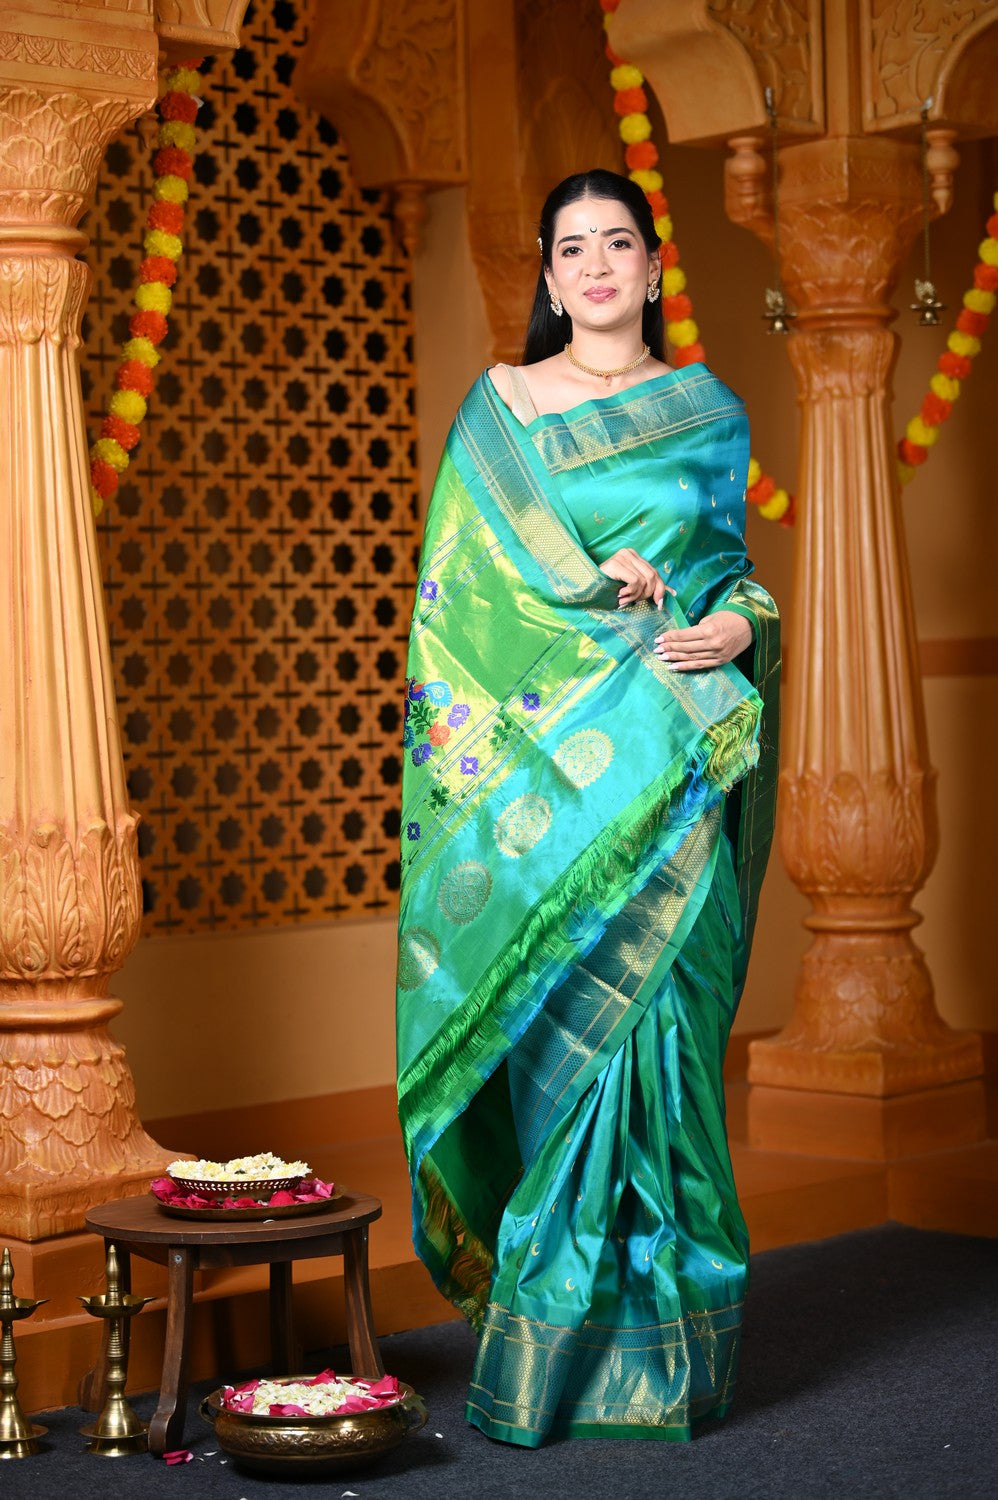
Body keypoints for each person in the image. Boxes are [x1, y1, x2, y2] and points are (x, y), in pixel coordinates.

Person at [396, 168, 779, 1447]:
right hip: (556, 793)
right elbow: (462, 593)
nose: (599, 265)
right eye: (574, 248)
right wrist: (580, 588)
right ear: (550, 278)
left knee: (667, 1053)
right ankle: (547, 1363)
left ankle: (670, 1368)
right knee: (567, 1064)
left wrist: (734, 627)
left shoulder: (707, 412)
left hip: (675, 771)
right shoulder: (502, 409)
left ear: (653, 269)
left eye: (619, 243)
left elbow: (731, 578)